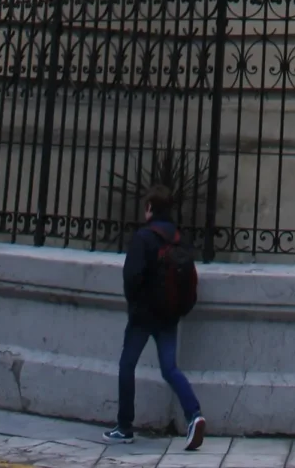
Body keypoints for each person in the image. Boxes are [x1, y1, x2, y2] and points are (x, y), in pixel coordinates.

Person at [110, 190, 205, 448]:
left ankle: (124, 426)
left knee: (127, 365)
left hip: (143, 316)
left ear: (150, 207)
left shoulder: (144, 238)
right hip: (169, 315)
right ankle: (194, 414)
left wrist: (135, 304)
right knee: (169, 369)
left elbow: (132, 277)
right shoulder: (178, 238)